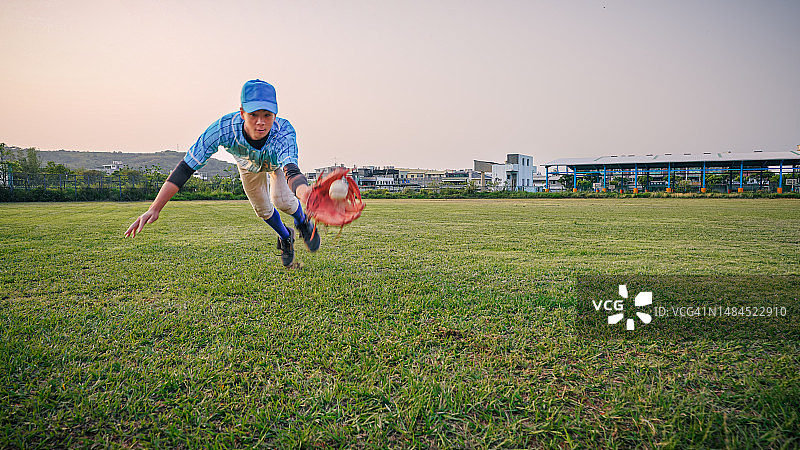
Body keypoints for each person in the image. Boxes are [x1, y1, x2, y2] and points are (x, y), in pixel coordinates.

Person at [124, 79, 319, 268]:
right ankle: (286, 237)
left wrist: (306, 194)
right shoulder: (223, 129)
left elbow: (291, 172)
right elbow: (186, 167)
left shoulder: (283, 131)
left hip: (276, 164)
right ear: (242, 113)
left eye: (267, 115)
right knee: (262, 210)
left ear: (275, 114)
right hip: (247, 166)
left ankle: (303, 222)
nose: (261, 122)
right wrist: (155, 208)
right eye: (253, 115)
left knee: (282, 201)